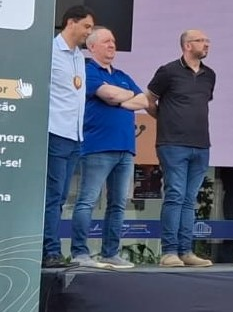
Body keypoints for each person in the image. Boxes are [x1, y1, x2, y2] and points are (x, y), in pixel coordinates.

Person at [70, 27, 146, 269]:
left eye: (113, 41)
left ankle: (110, 252)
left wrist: (121, 96)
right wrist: (126, 97)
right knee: (87, 201)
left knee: (118, 204)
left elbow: (143, 100)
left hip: (125, 148)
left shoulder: (122, 74)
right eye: (106, 41)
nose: (112, 45)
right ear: (92, 47)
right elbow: (108, 95)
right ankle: (79, 253)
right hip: (98, 147)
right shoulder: (87, 69)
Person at [147, 29, 216, 267]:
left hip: (201, 144)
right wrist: (166, 119)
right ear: (187, 45)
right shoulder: (168, 71)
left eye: (207, 41)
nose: (206, 44)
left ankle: (186, 251)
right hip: (173, 143)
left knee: (189, 199)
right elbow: (149, 99)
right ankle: (169, 251)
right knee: (175, 195)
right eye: (201, 41)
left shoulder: (210, 75)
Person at [42, 5, 95, 269]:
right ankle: (49, 251)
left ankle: (52, 249)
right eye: (86, 26)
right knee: (53, 195)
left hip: (75, 135)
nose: (89, 32)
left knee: (61, 196)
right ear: (70, 23)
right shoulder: (49, 51)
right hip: (55, 131)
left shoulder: (77, 57)